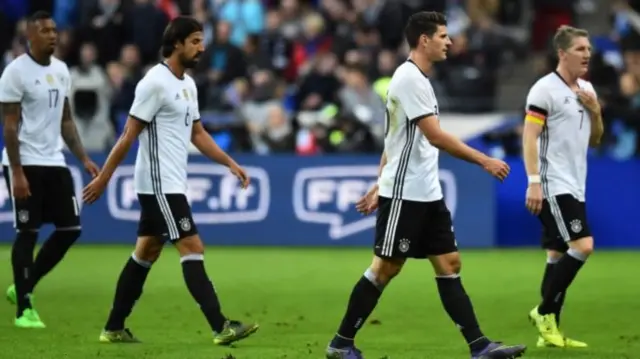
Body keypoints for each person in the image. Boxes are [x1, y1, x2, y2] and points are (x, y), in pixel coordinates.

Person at [325, 11, 527, 359]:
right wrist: (484, 160)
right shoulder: (408, 79)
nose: (449, 42)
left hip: (427, 192)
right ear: (424, 40)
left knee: (449, 264)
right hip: (405, 194)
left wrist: (377, 183)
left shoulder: (419, 79)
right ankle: (341, 343)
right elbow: (434, 137)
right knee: (385, 268)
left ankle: (479, 347)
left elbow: (395, 140)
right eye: (443, 36)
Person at [82, 16, 259, 344]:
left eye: (202, 41)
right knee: (192, 246)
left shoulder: (187, 85)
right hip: (158, 183)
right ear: (176, 43)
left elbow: (198, 134)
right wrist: (104, 178)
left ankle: (113, 327)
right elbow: (127, 136)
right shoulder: (154, 82)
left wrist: (231, 163)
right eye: (195, 41)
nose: (202, 48)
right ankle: (221, 326)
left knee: (146, 252)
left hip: (171, 182)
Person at [0, 11, 100, 329]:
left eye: (55, 30)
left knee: (70, 230)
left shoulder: (61, 70)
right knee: (27, 232)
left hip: (54, 160)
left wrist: (82, 157)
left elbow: (66, 119)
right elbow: (10, 127)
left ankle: (23, 286)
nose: (53, 35)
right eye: (45, 31)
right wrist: (16, 173)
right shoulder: (15, 73)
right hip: (25, 162)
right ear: (31, 35)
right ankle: (24, 309)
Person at [523, 25, 603, 349]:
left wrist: (595, 111)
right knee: (582, 246)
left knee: (557, 254)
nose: (587, 54)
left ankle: (549, 334)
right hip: (553, 184)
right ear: (562, 53)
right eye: (581, 49)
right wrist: (533, 182)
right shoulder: (544, 90)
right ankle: (544, 312)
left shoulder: (586, 89)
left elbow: (596, 139)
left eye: (589, 49)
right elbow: (529, 137)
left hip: (576, 182)